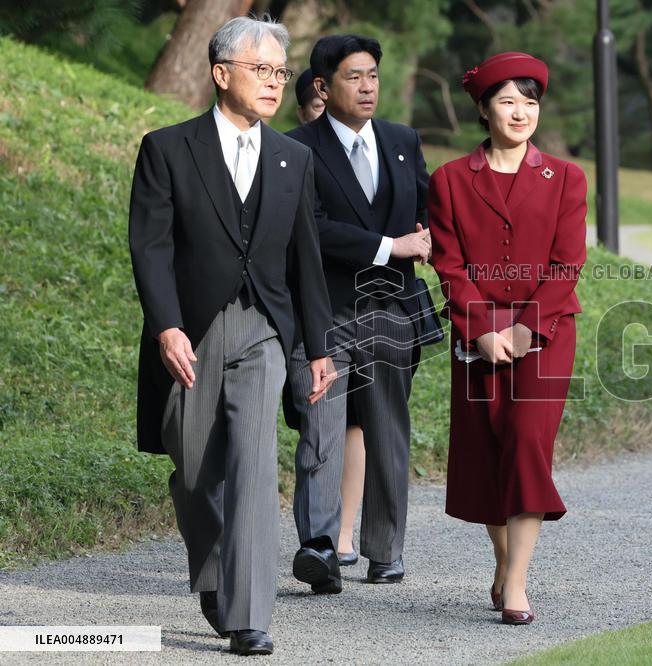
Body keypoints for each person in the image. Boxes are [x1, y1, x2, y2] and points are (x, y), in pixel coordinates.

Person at [128, 16, 335, 656]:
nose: (275, 82)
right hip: (190, 329)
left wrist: (318, 348)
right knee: (194, 473)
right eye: (260, 69)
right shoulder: (167, 148)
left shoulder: (294, 159)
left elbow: (306, 259)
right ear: (222, 74)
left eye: (280, 72)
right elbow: (150, 248)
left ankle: (249, 616)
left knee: (253, 462)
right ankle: (216, 572)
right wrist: (166, 326)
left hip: (265, 329)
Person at [428, 52, 587, 626]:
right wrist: (482, 329)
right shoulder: (449, 179)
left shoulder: (566, 177)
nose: (521, 112)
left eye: (530, 102)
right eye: (508, 101)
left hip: (547, 333)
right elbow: (449, 265)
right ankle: (503, 561)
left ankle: (516, 582)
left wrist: (523, 329)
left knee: (525, 442)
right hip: (476, 336)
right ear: (483, 109)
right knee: (486, 451)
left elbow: (567, 265)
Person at [284, 33, 430, 588]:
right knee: (320, 432)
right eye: (354, 77)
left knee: (388, 430)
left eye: (373, 75)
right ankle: (319, 548)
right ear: (323, 87)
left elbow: (426, 212)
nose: (368, 87)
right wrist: (391, 246)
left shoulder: (402, 140)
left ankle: (385, 549)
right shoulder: (296, 148)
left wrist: (429, 238)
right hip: (323, 313)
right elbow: (310, 228)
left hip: (391, 312)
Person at [293, 64, 367, 572]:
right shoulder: (292, 154)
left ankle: (339, 535)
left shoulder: (372, 152)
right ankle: (320, 534)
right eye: (317, 109)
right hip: (306, 309)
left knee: (352, 423)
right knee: (317, 423)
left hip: (364, 303)